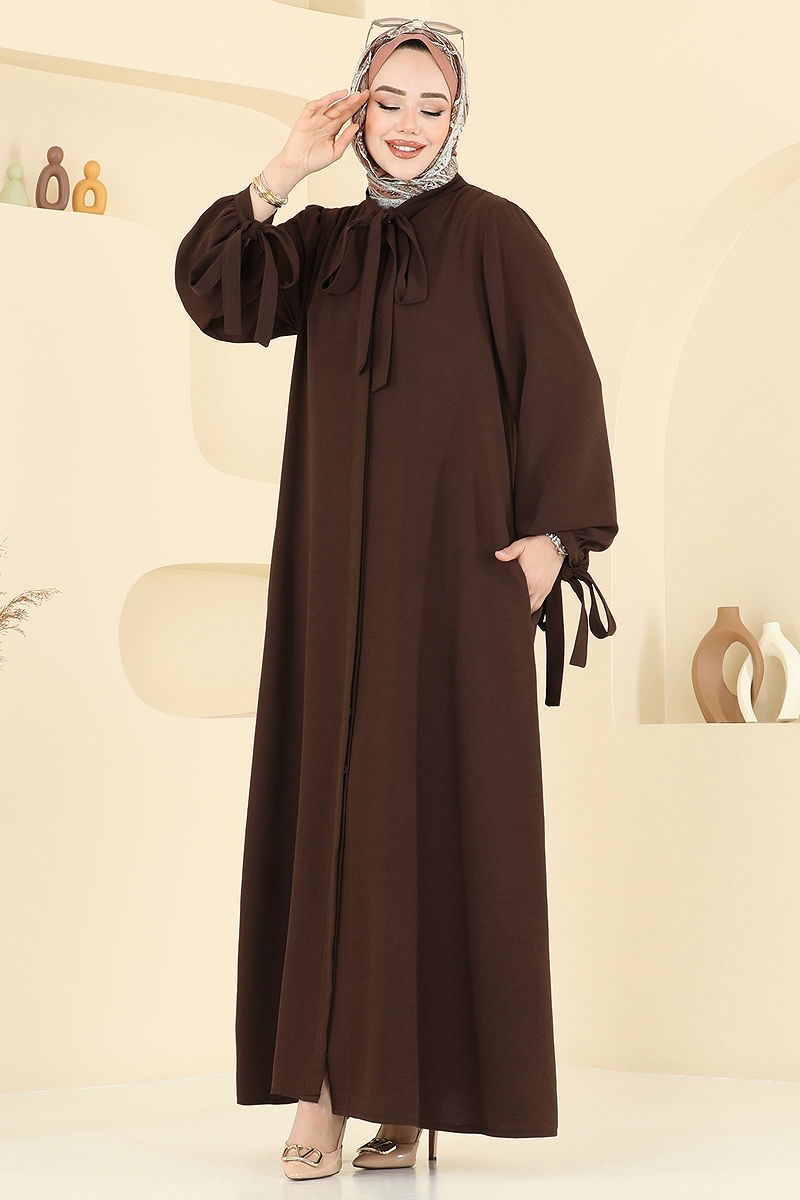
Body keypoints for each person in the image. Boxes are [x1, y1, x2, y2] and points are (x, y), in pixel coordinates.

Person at [174, 16, 618, 1182]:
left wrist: (555, 542)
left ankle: (405, 1091)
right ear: (356, 109)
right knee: (328, 817)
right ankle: (320, 1091)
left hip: (454, 585)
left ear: (458, 116)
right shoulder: (320, 242)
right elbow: (216, 293)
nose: (410, 124)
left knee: (429, 820)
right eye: (388, 101)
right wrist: (285, 168)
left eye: (432, 105)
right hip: (332, 588)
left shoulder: (497, 234)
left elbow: (561, 381)